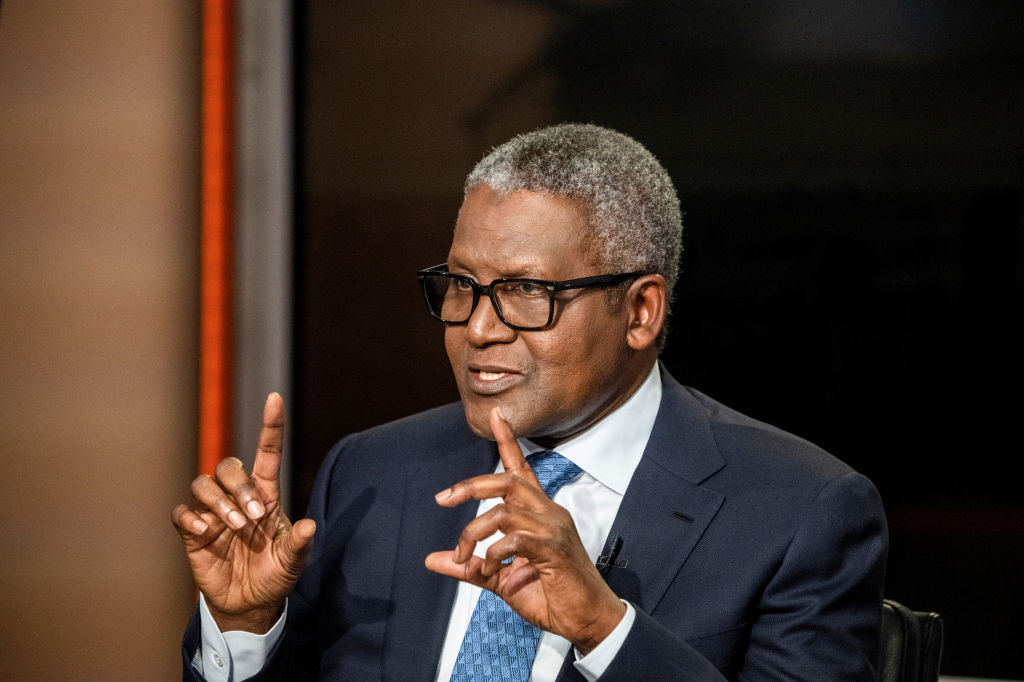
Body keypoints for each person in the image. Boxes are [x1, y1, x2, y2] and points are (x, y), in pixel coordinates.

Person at [173, 123, 888, 681]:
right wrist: (245, 626)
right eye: (460, 285)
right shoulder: (372, 472)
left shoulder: (798, 509)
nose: (478, 329)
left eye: (526, 293)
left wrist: (605, 629)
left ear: (640, 312)